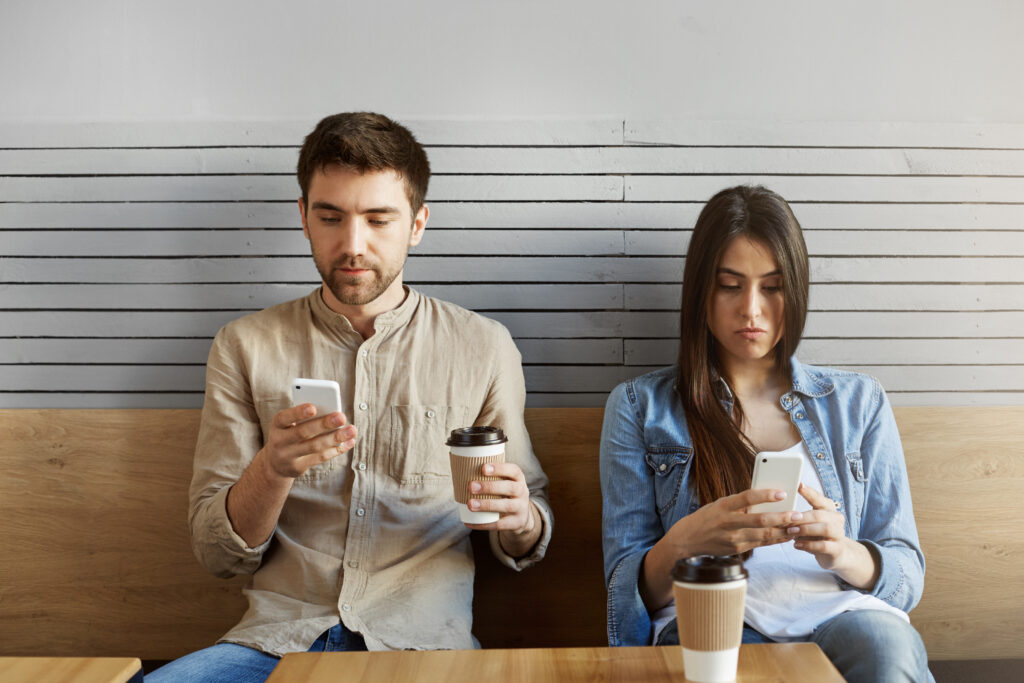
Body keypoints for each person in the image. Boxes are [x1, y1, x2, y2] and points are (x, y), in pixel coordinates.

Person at [149, 112, 552, 682]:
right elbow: (218, 555)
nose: (352, 245)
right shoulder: (244, 346)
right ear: (304, 219)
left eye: (378, 219)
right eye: (331, 217)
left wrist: (520, 517)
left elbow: (526, 531)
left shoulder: (482, 347)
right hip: (274, 643)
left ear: (417, 224)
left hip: (423, 649)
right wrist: (273, 467)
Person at [599, 185, 931, 682]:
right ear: (701, 292)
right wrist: (685, 543)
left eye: (771, 287)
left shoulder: (859, 402)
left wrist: (845, 553)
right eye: (730, 285)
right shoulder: (639, 407)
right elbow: (624, 593)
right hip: (717, 615)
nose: (751, 310)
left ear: (794, 290)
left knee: (888, 650)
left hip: (840, 613)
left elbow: (906, 573)